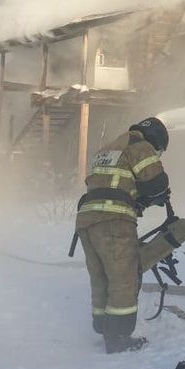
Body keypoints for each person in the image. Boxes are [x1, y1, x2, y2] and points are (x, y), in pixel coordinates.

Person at [74, 117, 172, 353]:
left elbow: (113, 185)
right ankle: (118, 337)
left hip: (87, 220)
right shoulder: (140, 147)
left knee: (101, 277)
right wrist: (158, 195)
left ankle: (103, 326)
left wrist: (138, 200)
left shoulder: (108, 149)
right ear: (156, 140)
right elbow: (157, 183)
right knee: (123, 277)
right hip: (114, 222)